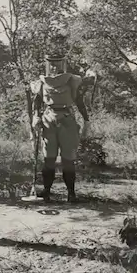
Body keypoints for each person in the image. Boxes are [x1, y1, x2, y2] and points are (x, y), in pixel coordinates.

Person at [25, 43, 90, 204]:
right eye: (51, 63)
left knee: (68, 159)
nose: (54, 67)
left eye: (57, 63)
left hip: (67, 119)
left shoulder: (71, 81)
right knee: (49, 158)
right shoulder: (41, 83)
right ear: (47, 64)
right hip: (48, 120)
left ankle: (71, 193)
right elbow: (37, 102)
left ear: (63, 64)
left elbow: (79, 101)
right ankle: (46, 192)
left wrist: (87, 120)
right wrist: (35, 117)